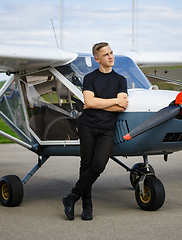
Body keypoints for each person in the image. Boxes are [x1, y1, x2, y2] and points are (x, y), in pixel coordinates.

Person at [62, 42, 128, 220]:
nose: (110, 56)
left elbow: (121, 107)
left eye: (111, 53)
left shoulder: (121, 80)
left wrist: (99, 103)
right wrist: (113, 101)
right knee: (86, 164)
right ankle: (87, 206)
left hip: (107, 129)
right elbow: (89, 103)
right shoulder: (90, 78)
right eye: (106, 54)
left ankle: (71, 197)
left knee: (98, 165)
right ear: (97, 59)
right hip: (88, 126)